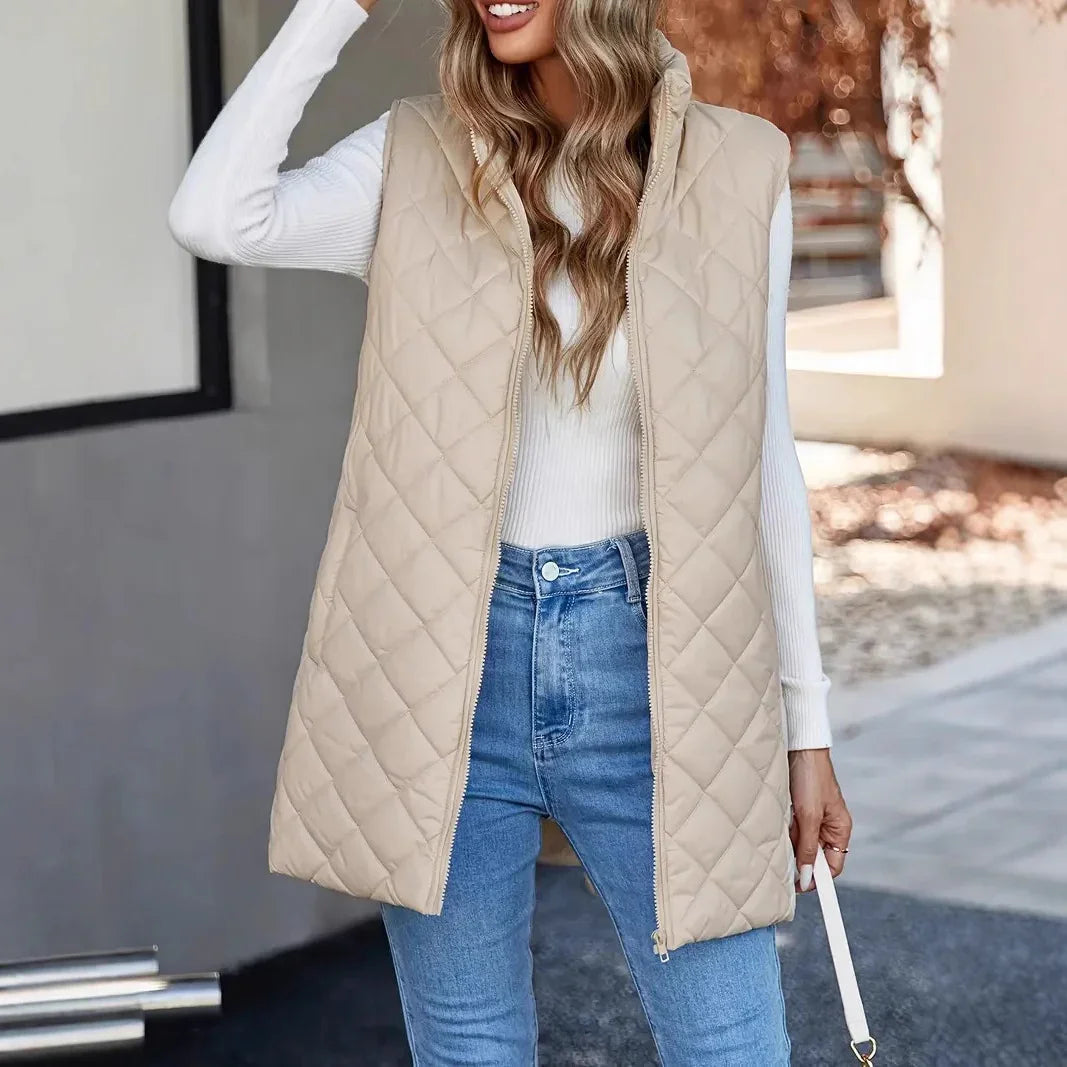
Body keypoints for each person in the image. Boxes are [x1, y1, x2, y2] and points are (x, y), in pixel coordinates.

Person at [168, 0, 853, 1062]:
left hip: (661, 659)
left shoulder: (738, 169)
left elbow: (766, 462)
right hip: (447, 656)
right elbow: (215, 216)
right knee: (467, 1043)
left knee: (732, 1043)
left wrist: (804, 727)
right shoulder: (417, 154)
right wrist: (332, 10)